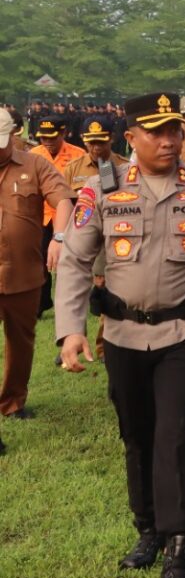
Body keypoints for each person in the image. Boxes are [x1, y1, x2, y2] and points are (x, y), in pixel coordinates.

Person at [55, 92, 185, 578]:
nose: (168, 141)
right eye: (155, 132)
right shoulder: (102, 189)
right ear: (130, 138)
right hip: (120, 335)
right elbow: (74, 261)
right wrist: (70, 331)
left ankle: (179, 564)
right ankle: (149, 531)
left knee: (177, 439)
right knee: (137, 435)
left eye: (174, 132)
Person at [0, 109, 73, 425]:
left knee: (21, 341)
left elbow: (64, 201)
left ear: (14, 135)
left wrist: (59, 236)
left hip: (23, 274)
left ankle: (13, 402)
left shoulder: (35, 164)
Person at [62, 115, 131, 360]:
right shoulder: (73, 168)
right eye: (91, 142)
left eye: (101, 142)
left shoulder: (124, 167)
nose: (96, 147)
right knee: (74, 288)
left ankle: (104, 345)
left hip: (112, 238)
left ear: (111, 139)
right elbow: (67, 205)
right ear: (83, 140)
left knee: (106, 290)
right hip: (81, 235)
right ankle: (71, 339)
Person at [30, 114, 85, 316]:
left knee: (68, 263)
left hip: (68, 216)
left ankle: (70, 304)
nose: (48, 142)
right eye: (43, 138)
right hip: (41, 216)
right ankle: (40, 303)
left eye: (52, 137)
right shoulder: (33, 154)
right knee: (38, 262)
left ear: (64, 133)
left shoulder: (78, 155)